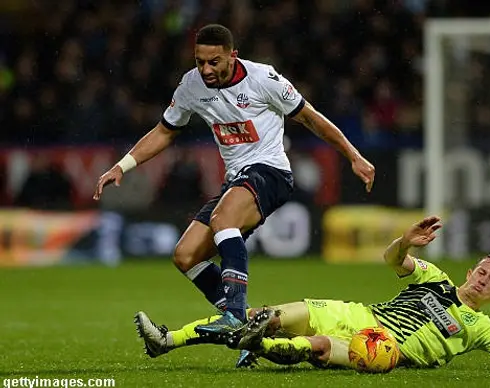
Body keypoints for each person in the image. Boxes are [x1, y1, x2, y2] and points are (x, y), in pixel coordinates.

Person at [94, 24, 375, 337]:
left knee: (222, 218)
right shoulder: (191, 85)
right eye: (200, 61)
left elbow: (310, 116)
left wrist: (353, 155)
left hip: (271, 172)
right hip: (236, 181)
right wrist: (123, 165)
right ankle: (248, 321)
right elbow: (164, 131)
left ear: (233, 56)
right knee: (185, 256)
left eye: (214, 62)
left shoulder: (263, 79)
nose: (205, 69)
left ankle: (235, 314)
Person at [134, 216, 490, 371]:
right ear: (469, 270)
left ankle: (257, 345)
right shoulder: (435, 278)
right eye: (481, 272)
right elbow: (392, 261)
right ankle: (167, 340)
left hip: (382, 347)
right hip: (354, 312)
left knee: (313, 349)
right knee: (264, 313)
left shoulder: (479, 326)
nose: (482, 280)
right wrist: (405, 240)